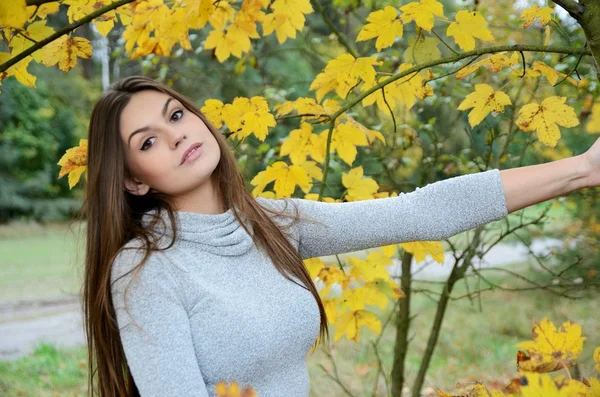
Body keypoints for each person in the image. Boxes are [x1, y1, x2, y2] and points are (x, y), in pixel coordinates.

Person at [81, 75, 600, 397]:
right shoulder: (145, 270)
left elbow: (423, 211)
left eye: (177, 115)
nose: (177, 134)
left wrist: (582, 168)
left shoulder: (272, 223)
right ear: (133, 178)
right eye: (149, 140)